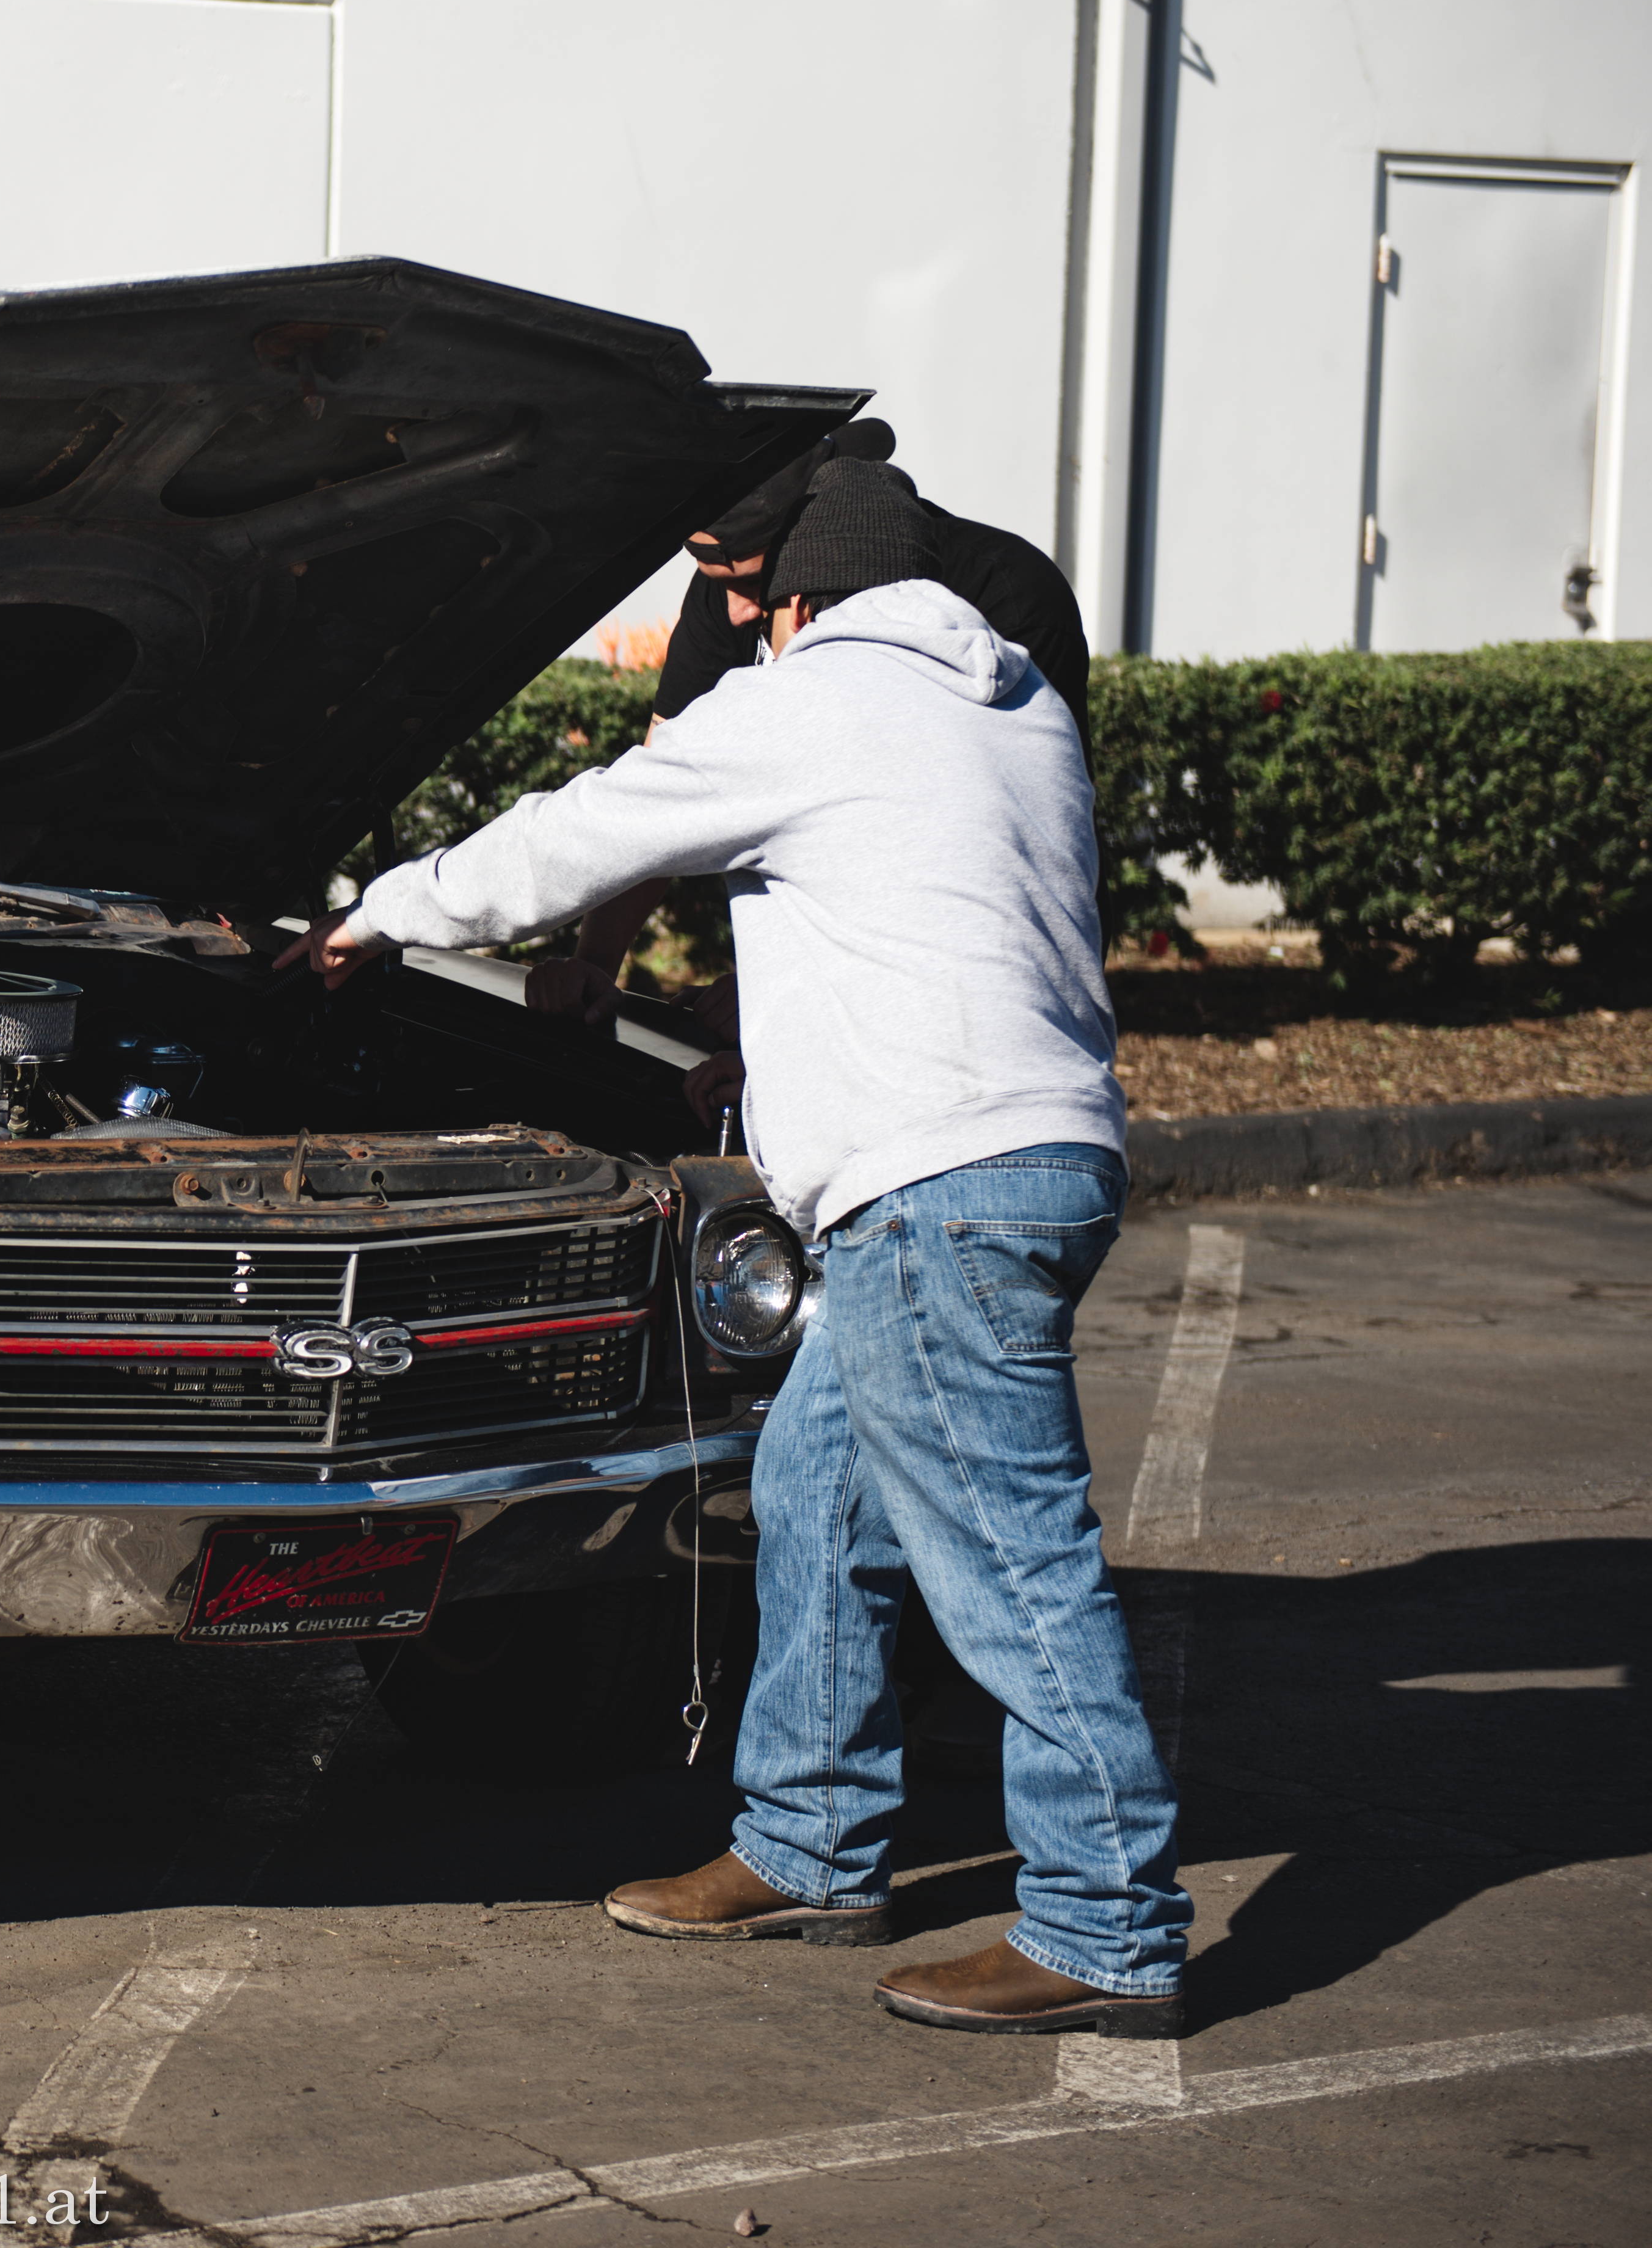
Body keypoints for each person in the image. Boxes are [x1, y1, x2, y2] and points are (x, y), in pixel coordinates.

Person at [282, 458, 1188, 2035]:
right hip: (1029, 1156)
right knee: (814, 1494)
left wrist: (376, 916)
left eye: (758, 602)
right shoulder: (1010, 702)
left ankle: (1106, 1921)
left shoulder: (815, 699)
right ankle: (807, 1845)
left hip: (938, 1191)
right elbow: (924, 914)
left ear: (798, 602)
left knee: (1007, 1561)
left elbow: (569, 842)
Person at [526, 420, 1092, 1047]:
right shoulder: (732, 588)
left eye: (752, 583)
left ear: (821, 542)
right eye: (716, 580)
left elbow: (983, 855)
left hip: (986, 1003)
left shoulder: (1007, 596)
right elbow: (656, 792)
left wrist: (790, 996)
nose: (736, 611)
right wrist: (595, 964)